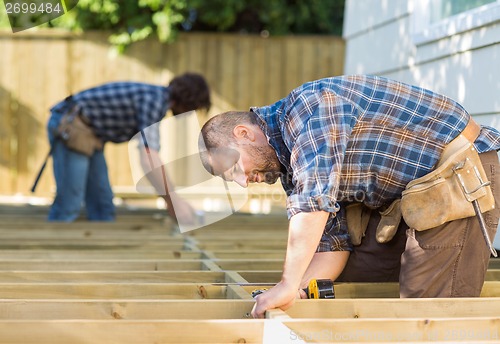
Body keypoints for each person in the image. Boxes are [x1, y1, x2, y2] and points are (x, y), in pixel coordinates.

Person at [198, 75, 500, 318]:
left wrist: (287, 283)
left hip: (458, 177)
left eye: (235, 167)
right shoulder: (290, 167)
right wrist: (298, 290)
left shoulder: (308, 109)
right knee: (360, 274)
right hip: (415, 198)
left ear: (243, 133)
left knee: (425, 312)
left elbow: (313, 201)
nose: (242, 183)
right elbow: (334, 244)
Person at [47, 72, 211, 222]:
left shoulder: (156, 98)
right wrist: (173, 201)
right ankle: (52, 247)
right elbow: (149, 159)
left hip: (91, 133)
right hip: (71, 125)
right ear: (189, 101)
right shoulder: (154, 101)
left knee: (102, 207)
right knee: (70, 203)